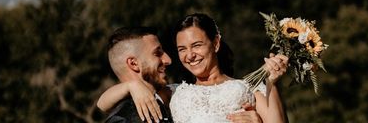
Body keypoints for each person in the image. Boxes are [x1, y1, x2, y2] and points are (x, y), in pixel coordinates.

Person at [98, 13, 288, 123]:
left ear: (215, 43)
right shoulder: (174, 92)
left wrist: (271, 82)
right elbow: (103, 104)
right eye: (182, 49)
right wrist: (131, 86)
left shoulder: (250, 88)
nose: (189, 55)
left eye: (196, 45)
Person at [103, 26, 174, 122]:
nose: (168, 60)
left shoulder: (173, 96)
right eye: (157, 53)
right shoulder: (123, 119)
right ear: (134, 64)